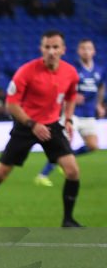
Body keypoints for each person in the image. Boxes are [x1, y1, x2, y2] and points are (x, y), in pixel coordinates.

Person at [0, 30, 81, 228]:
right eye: (47, 47)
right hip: (26, 125)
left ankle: (68, 220)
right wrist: (32, 124)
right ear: (41, 49)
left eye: (55, 47)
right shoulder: (26, 71)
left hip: (51, 126)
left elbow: (71, 95)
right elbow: (11, 105)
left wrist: (68, 119)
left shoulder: (70, 73)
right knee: (0, 174)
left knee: (73, 171)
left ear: (63, 50)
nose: (51, 51)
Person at [36, 39, 103, 185]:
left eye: (89, 48)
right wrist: (70, 96)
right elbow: (59, 86)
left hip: (89, 114)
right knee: (63, 146)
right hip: (72, 113)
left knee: (93, 146)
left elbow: (101, 87)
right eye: (83, 48)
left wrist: (99, 104)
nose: (86, 51)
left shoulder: (99, 69)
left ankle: (66, 159)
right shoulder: (72, 68)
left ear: (94, 51)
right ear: (78, 51)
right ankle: (42, 175)